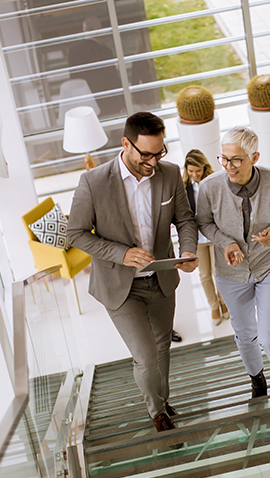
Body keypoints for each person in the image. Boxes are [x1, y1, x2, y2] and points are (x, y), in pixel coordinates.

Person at [67, 112, 198, 437]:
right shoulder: (93, 182)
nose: (153, 162)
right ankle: (156, 411)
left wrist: (186, 250)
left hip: (162, 278)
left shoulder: (168, 174)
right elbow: (76, 234)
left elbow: (184, 220)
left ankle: (163, 401)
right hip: (120, 286)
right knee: (145, 354)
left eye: (159, 153)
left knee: (163, 346)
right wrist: (122, 254)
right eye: (146, 154)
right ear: (126, 144)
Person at [196, 127, 270, 404]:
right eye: (224, 159)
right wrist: (226, 243)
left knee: (269, 334)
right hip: (231, 274)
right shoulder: (209, 188)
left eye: (237, 160)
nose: (229, 166)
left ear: (254, 156)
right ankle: (258, 381)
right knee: (244, 335)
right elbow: (204, 223)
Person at [183, 149, 230, 325]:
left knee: (220, 272)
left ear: (204, 168)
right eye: (191, 171)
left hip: (215, 235)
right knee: (204, 275)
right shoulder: (184, 189)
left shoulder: (214, 183)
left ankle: (223, 301)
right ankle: (213, 305)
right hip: (198, 239)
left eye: (198, 171)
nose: (194, 175)